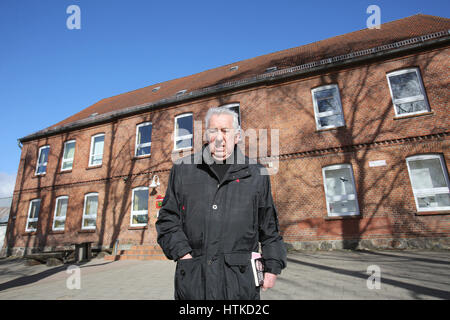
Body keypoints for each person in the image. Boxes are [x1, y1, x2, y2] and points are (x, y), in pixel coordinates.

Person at [156, 106, 286, 300]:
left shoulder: (257, 174)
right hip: (194, 281)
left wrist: (272, 267)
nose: (219, 138)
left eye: (225, 131)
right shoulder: (183, 170)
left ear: (238, 136)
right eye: (213, 131)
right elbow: (167, 219)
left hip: (240, 284)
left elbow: (269, 227)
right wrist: (183, 254)